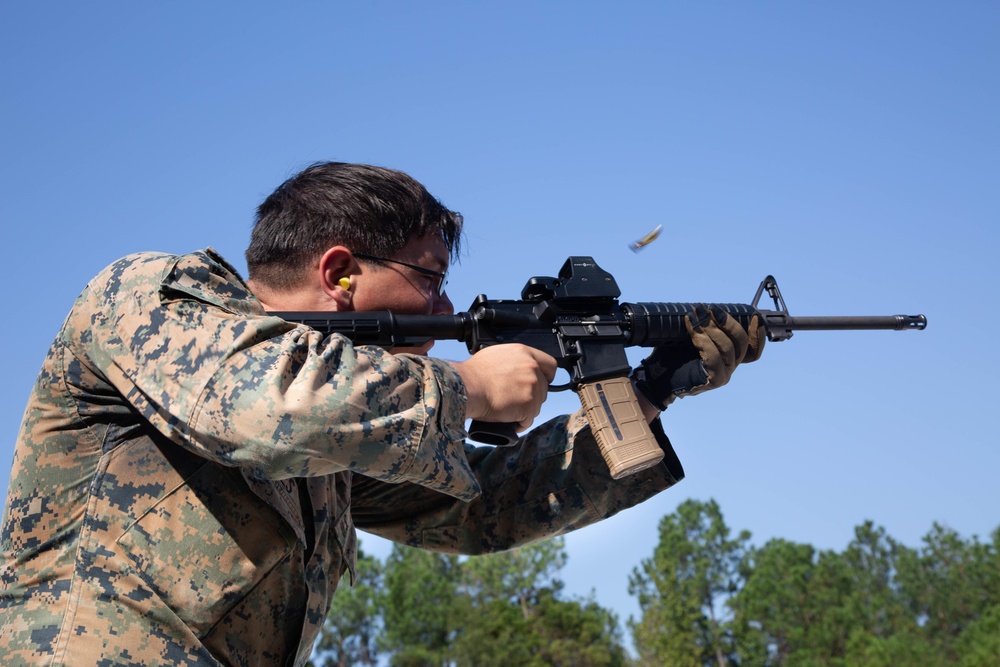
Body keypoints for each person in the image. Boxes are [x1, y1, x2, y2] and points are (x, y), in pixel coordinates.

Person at [0, 162, 764, 666]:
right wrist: (465, 387)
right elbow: (272, 407)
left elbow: (475, 507)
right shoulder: (147, 297)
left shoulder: (344, 442)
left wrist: (652, 389)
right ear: (339, 271)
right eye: (429, 279)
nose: (443, 310)